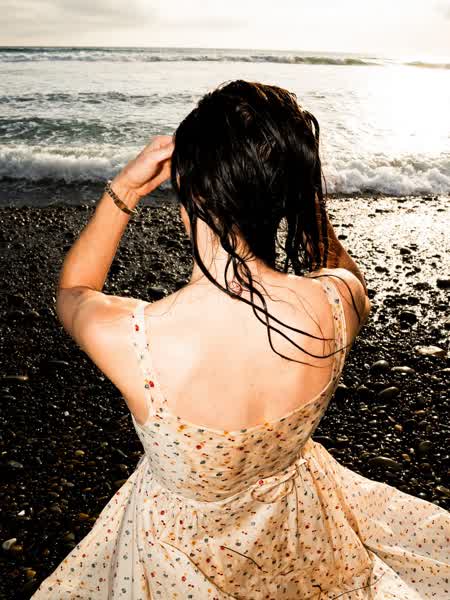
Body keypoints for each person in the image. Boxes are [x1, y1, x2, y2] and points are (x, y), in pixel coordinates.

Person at [32, 80, 449, 599]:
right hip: (297, 533)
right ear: (288, 193)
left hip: (176, 557)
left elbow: (74, 289)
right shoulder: (338, 303)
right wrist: (305, 201)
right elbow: (343, 271)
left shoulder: (134, 339)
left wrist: (125, 191)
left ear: (191, 188)